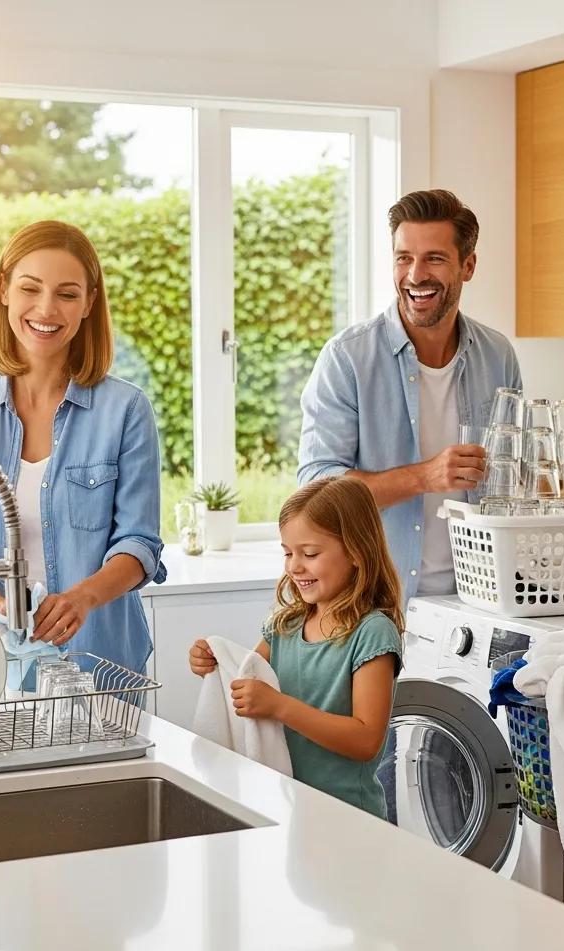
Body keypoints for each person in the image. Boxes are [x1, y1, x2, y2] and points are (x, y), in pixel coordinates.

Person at [0, 220, 166, 678]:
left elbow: (139, 543)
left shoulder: (126, 409)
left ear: (89, 304)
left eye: (68, 294)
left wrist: (83, 598)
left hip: (101, 664)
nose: (46, 309)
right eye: (30, 288)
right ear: (4, 291)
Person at [298, 188, 522, 599]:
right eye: (404, 258)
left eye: (434, 258)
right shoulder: (348, 358)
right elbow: (315, 490)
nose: (416, 275)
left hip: (480, 600)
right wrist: (424, 476)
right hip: (378, 608)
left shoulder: (498, 356)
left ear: (468, 265)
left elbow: (514, 476)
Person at [188, 476, 403, 818]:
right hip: (286, 809)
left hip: (349, 820)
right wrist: (211, 662)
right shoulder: (284, 625)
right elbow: (244, 679)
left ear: (357, 552)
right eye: (288, 553)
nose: (294, 566)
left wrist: (280, 707)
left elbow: (365, 741)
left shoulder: (372, 633)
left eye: (310, 553)